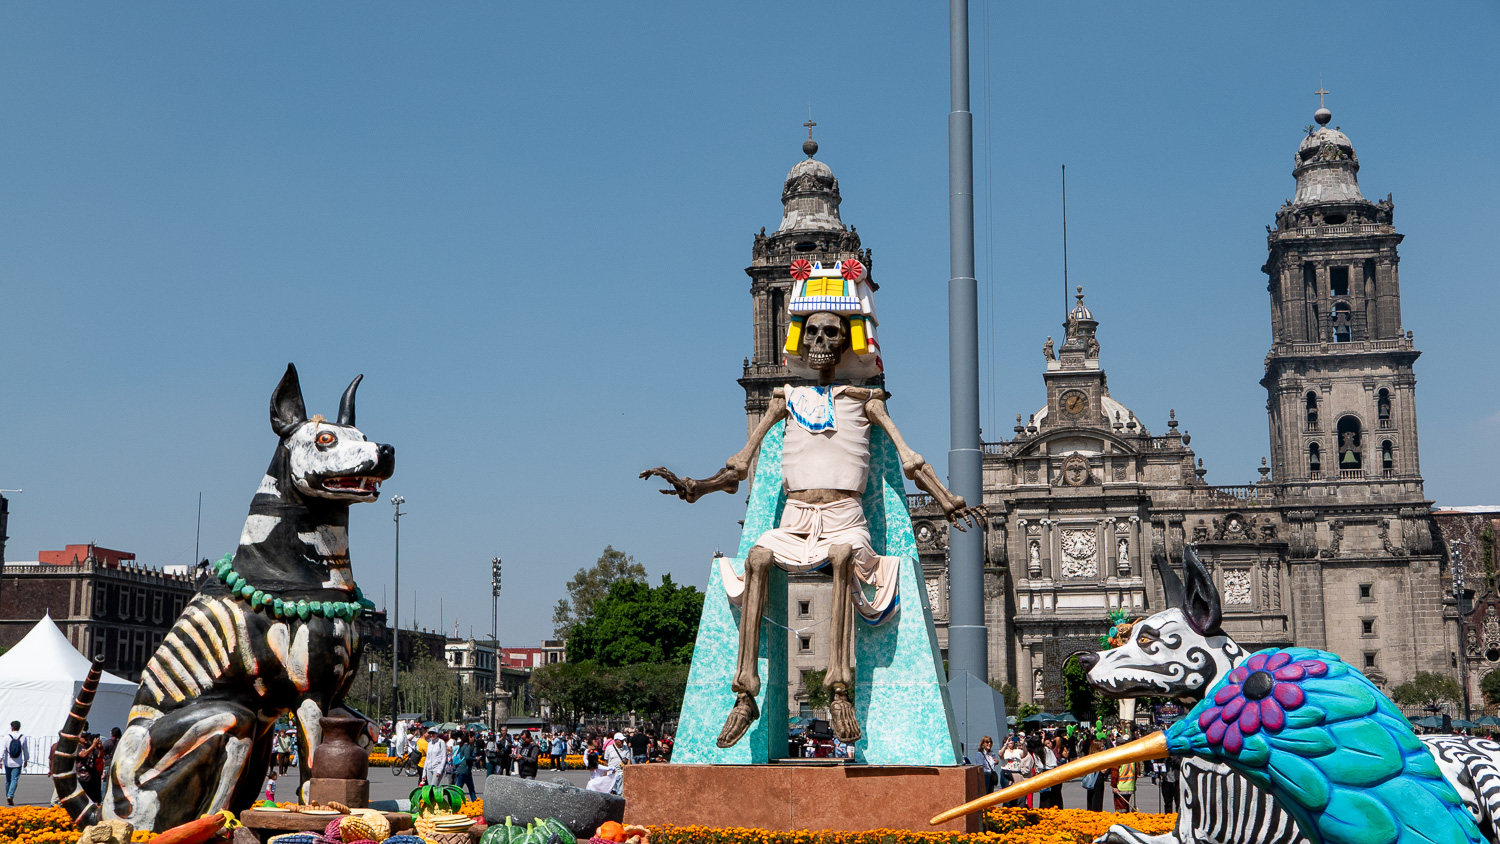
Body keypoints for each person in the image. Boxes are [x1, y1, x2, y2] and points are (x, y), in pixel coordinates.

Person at [1000, 736, 1033, 808]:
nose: (1011, 742)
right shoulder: (1005, 751)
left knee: (1016, 796)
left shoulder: (1017, 751)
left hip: (1016, 773)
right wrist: (1005, 745)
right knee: (1007, 796)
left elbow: (1025, 754)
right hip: (1006, 773)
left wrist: (1023, 744)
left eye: (1012, 740)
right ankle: (1005, 811)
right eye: (1009, 740)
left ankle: (1014, 810)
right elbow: (1000, 754)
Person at [4, 721, 27, 806]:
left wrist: (0, 759)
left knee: (8, 780)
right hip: (18, 761)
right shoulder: (23, 737)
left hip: (7, 761)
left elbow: (3, 749)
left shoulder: (7, 737)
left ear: (12, 727)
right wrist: (26, 760)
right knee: (14, 779)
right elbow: (25, 750)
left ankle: (8, 796)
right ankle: (10, 795)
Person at [452, 734, 476, 800]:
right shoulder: (468, 747)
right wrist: (475, 759)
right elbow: (467, 757)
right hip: (464, 770)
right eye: (473, 737)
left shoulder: (462, 746)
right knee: (461, 788)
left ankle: (474, 800)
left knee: (468, 787)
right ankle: (456, 801)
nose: (474, 739)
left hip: (463, 770)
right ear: (469, 737)